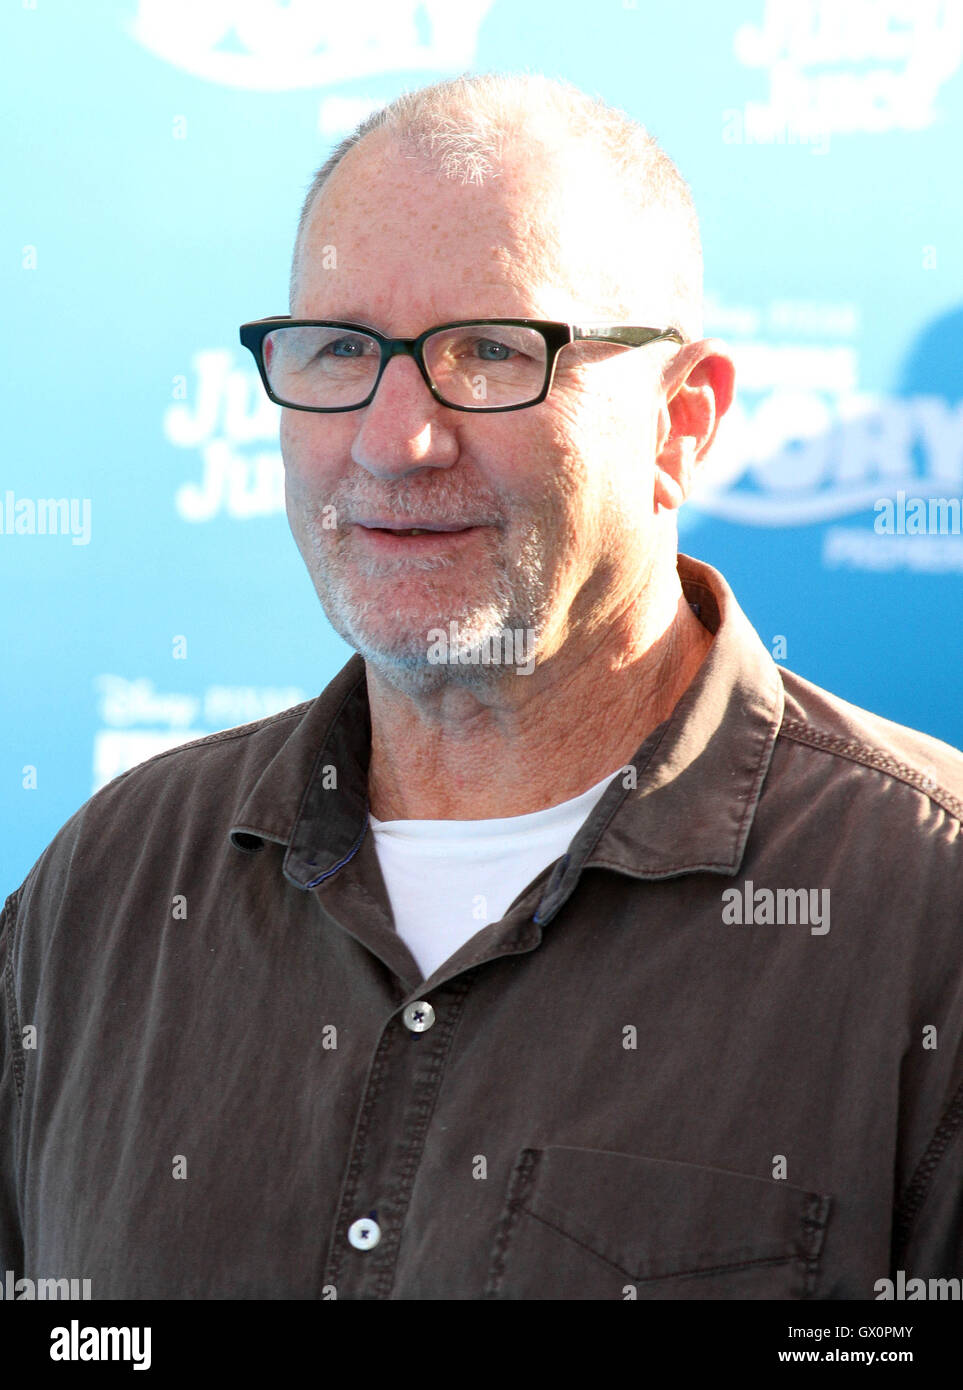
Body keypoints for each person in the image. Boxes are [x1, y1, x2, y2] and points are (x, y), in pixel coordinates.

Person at [2, 71, 961, 1302]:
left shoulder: (927, 909)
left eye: (492, 352)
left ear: (681, 421)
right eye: (343, 349)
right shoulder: (111, 882)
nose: (394, 439)